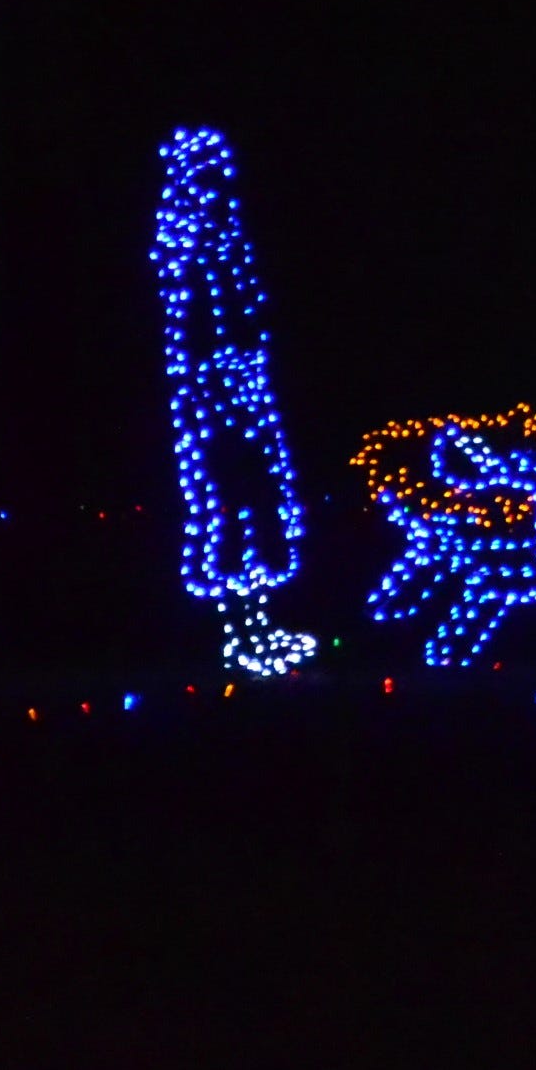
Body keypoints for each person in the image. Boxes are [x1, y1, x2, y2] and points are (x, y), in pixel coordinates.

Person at [152, 127, 313, 674]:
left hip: (244, 389)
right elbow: (191, 327)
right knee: (227, 508)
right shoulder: (187, 247)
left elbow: (251, 316)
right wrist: (218, 378)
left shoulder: (227, 241)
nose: (213, 186)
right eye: (202, 176)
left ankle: (261, 626)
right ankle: (242, 633)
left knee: (260, 504)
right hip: (212, 396)